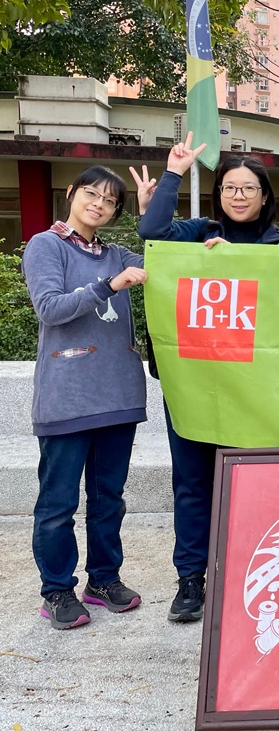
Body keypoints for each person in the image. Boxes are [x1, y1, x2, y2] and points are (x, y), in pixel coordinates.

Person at [136, 133, 279, 622]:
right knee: (193, 484)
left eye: (247, 189)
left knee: (257, 485)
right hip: (195, 383)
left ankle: (251, 575)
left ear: (265, 196)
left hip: (258, 390)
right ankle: (190, 582)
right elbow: (150, 230)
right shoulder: (198, 233)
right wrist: (174, 171)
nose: (238, 197)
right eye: (229, 189)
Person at [22, 166, 148, 630]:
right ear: (72, 194)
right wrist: (108, 286)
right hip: (67, 396)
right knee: (58, 502)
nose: (98, 204)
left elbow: (169, 264)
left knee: (108, 496)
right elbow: (50, 307)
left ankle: (103, 579)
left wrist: (156, 212)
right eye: (91, 193)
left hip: (117, 390)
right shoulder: (45, 245)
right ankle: (56, 589)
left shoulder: (117, 253)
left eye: (110, 200)